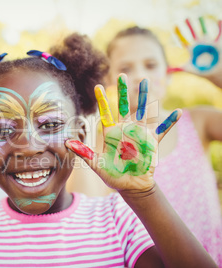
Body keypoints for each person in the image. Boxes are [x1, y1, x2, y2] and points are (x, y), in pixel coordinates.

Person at [0, 33, 217, 267]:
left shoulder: (117, 219)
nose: (27, 145)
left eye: (50, 125)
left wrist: (145, 195)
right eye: (2, 130)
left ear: (81, 133)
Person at [104, 23, 222, 266]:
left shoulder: (197, 121)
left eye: (150, 65)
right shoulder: (104, 145)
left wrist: (219, 77)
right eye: (125, 68)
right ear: (108, 81)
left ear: (168, 75)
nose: (139, 75)